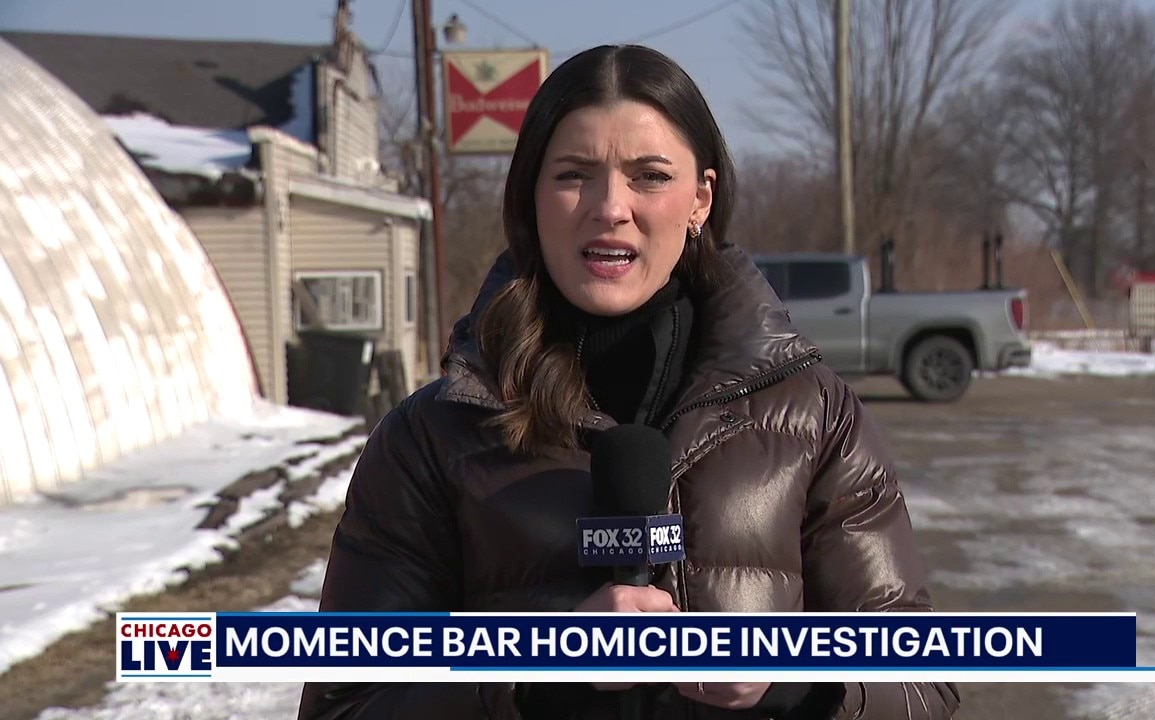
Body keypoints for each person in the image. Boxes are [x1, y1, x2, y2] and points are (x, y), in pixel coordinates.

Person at [298, 44, 959, 720]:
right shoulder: (432, 437)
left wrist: (792, 682)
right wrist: (535, 674)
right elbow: (345, 704)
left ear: (700, 199)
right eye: (574, 175)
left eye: (649, 176)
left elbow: (920, 686)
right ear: (531, 198)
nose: (610, 206)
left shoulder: (812, 416)